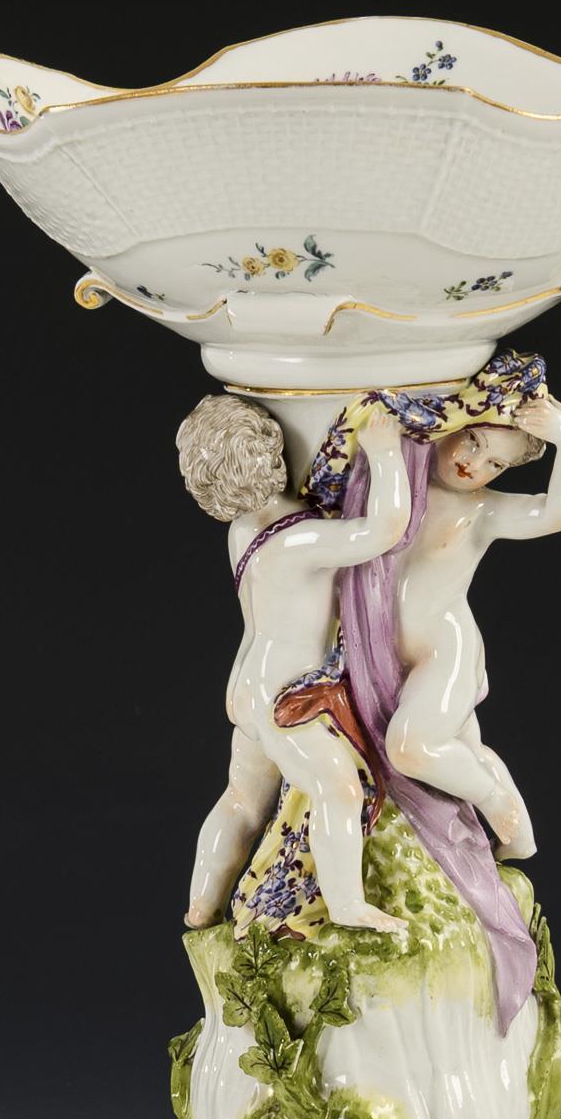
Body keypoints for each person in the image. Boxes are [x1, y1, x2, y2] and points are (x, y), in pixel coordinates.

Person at [177, 393, 412, 932]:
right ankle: (347, 904)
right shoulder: (301, 539)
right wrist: (384, 453)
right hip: (286, 696)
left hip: (247, 683)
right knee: (338, 789)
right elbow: (385, 530)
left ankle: (201, 904)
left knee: (241, 800)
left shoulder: (241, 532)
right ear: (272, 454)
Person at [386, 398, 561, 859]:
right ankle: (520, 840)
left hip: (443, 649)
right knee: (465, 746)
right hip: (386, 649)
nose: (473, 464)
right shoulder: (397, 478)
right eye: (472, 441)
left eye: (494, 463)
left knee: (412, 747)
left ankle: (494, 800)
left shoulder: (481, 509)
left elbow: (554, 514)